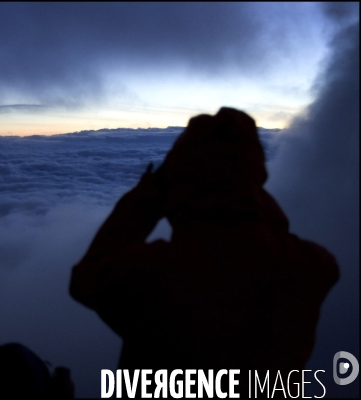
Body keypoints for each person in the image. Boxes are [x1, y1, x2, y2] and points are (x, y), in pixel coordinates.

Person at [69, 107, 339, 396]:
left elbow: (85, 279)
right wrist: (244, 193)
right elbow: (274, 234)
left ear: (178, 176)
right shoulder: (309, 267)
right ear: (257, 175)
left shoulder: (147, 274)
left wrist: (152, 193)